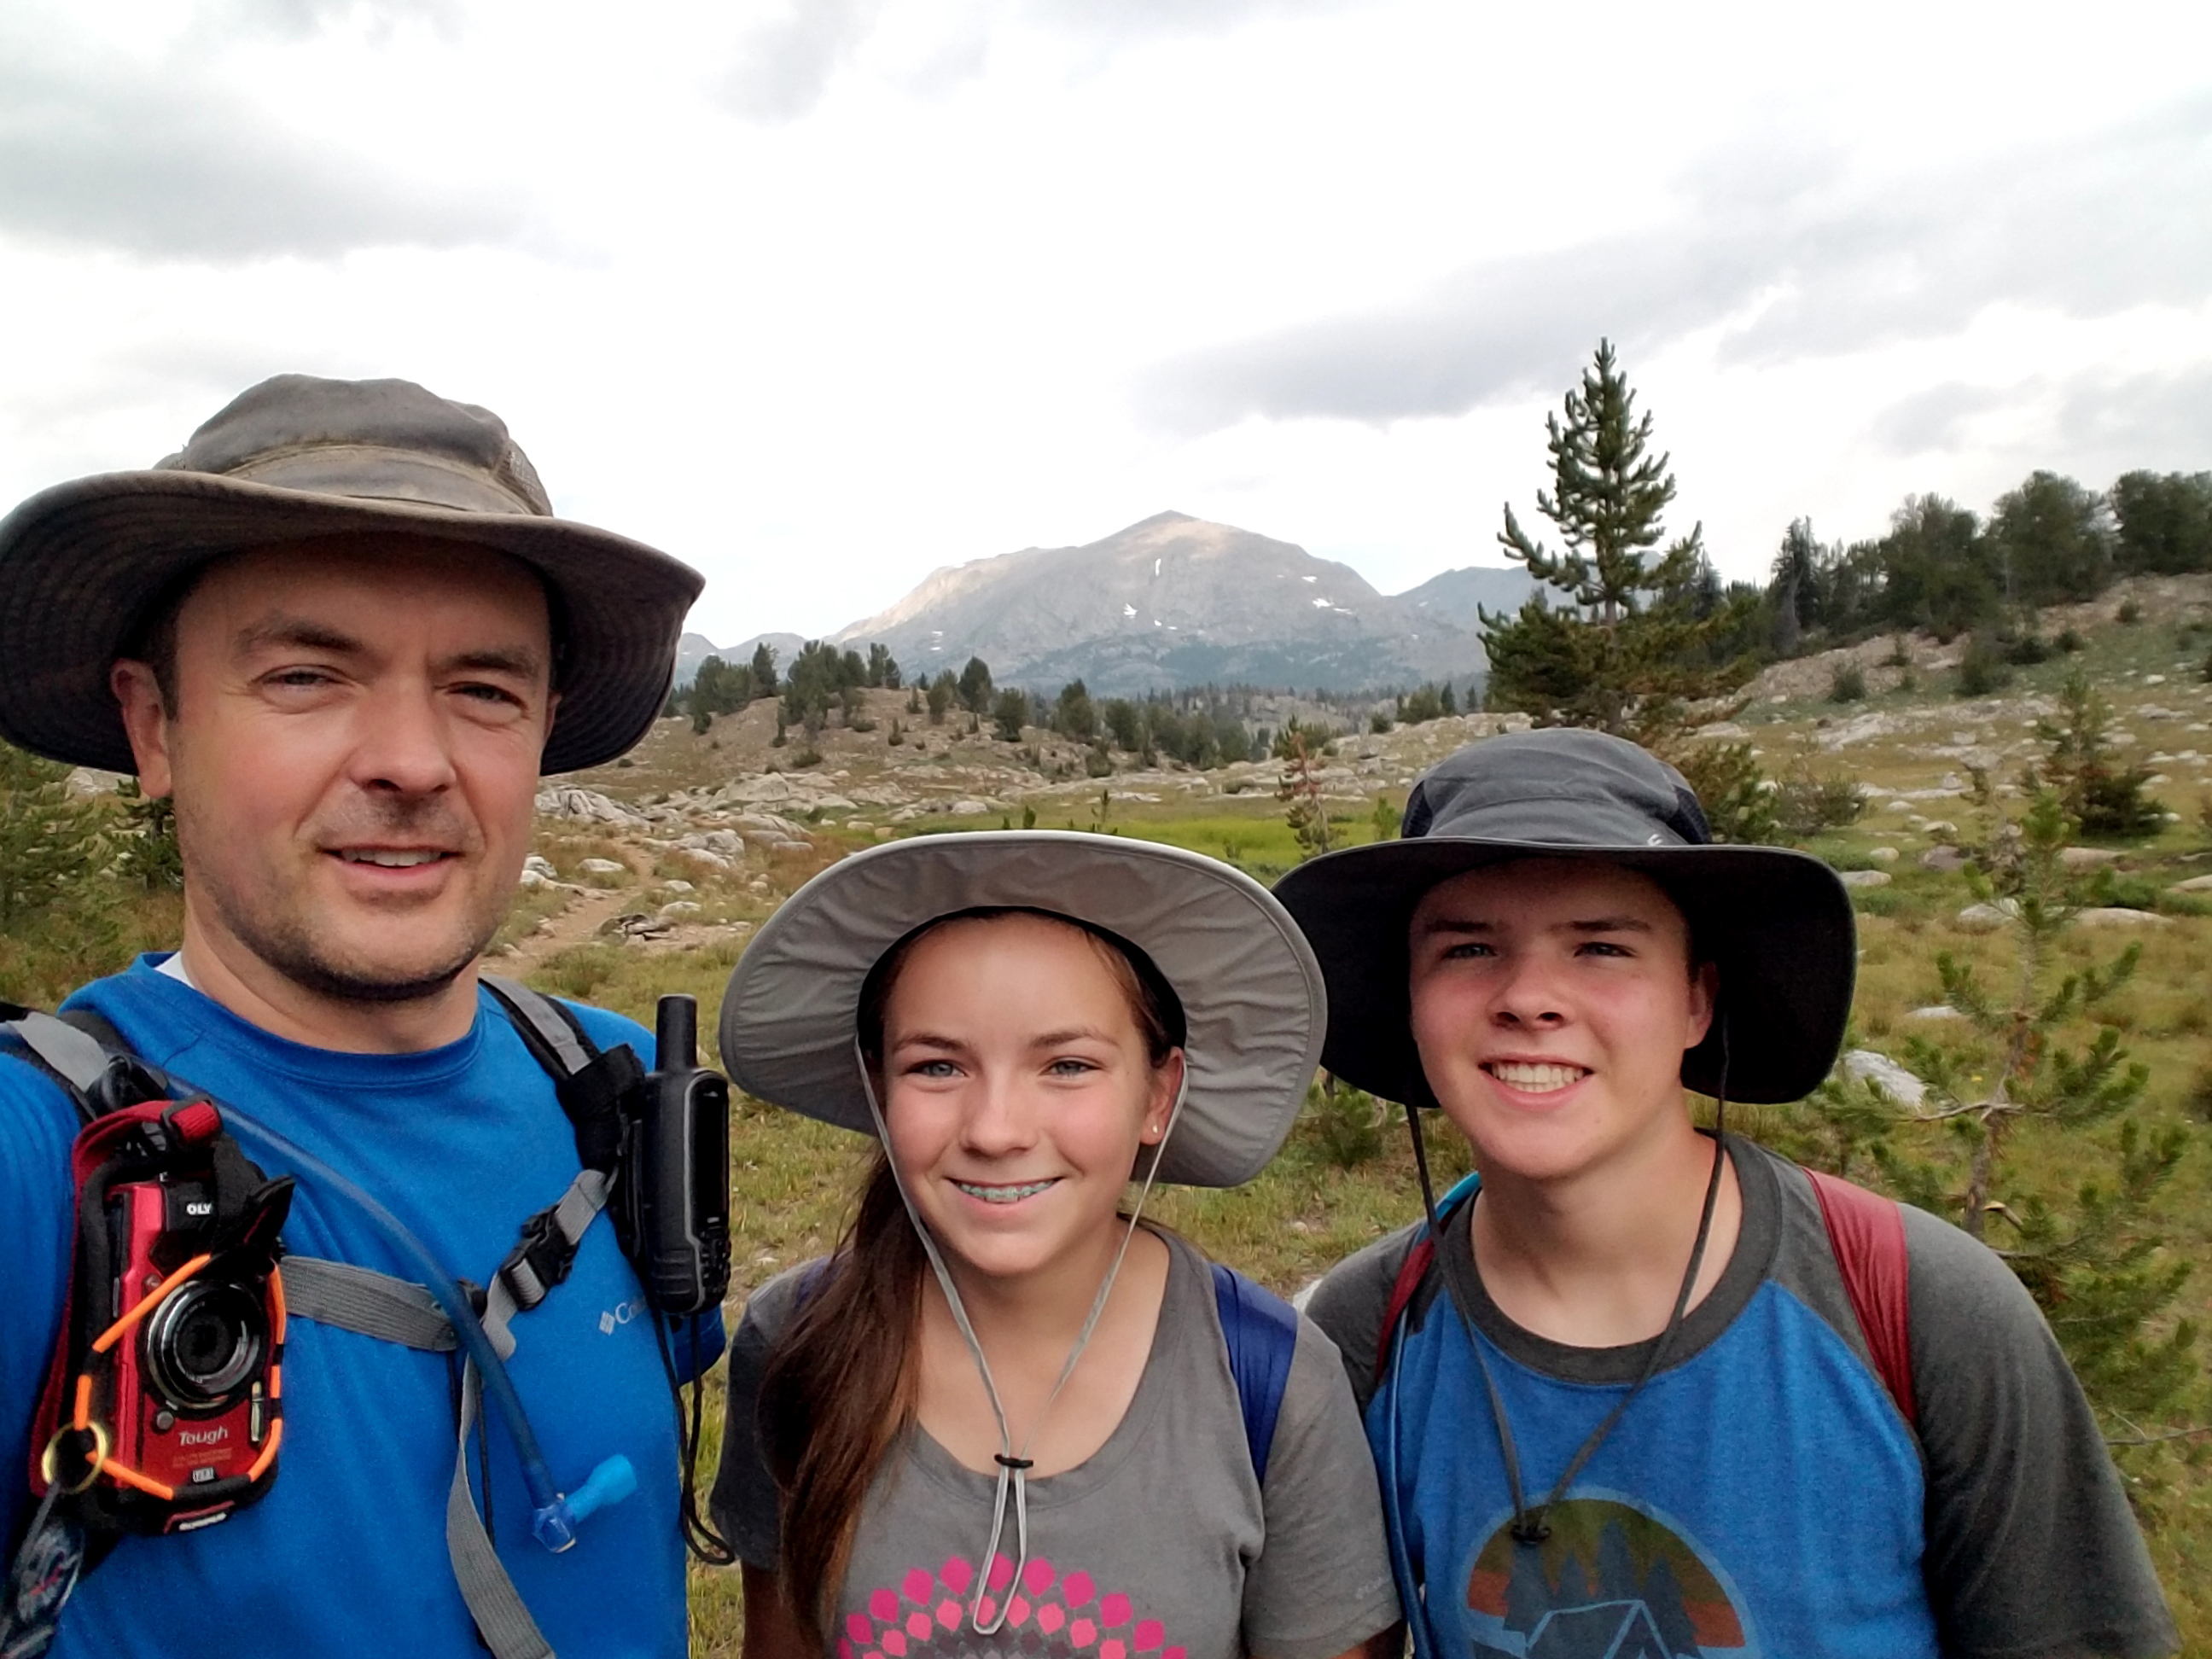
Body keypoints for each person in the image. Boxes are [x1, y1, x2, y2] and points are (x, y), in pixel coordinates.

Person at [0, 374, 719, 1657]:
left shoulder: (607, 1090)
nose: (411, 758)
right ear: (152, 725)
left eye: (484, 690)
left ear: (543, 731)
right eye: (306, 674)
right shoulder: (37, 1160)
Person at [1276, 728, 2178, 1659]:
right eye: (1468, 949)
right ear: (1412, 999)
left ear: (1697, 1000)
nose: (1530, 998)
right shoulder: (1367, 1336)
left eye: (1600, 947)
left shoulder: (1920, 1311)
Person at [710, 831, 1402, 1659]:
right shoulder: (796, 1343)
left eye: (1068, 1065)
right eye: (937, 1067)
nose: (997, 1130)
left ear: (1158, 1094)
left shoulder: (1272, 1384)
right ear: (878, 1084)